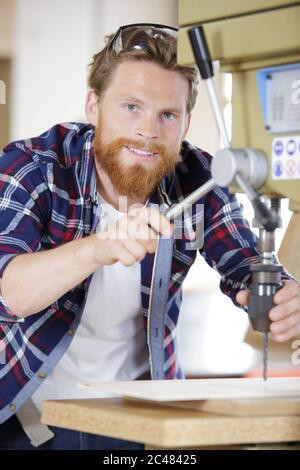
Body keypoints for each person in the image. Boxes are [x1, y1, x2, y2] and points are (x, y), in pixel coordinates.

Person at [0, 23, 299, 450]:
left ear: (186, 122)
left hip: (136, 422)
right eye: (131, 107)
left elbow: (245, 264)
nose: (149, 130)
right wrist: (97, 248)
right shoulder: (33, 166)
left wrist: (281, 295)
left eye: (167, 115)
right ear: (94, 105)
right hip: (25, 415)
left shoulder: (198, 178)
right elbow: (9, 291)